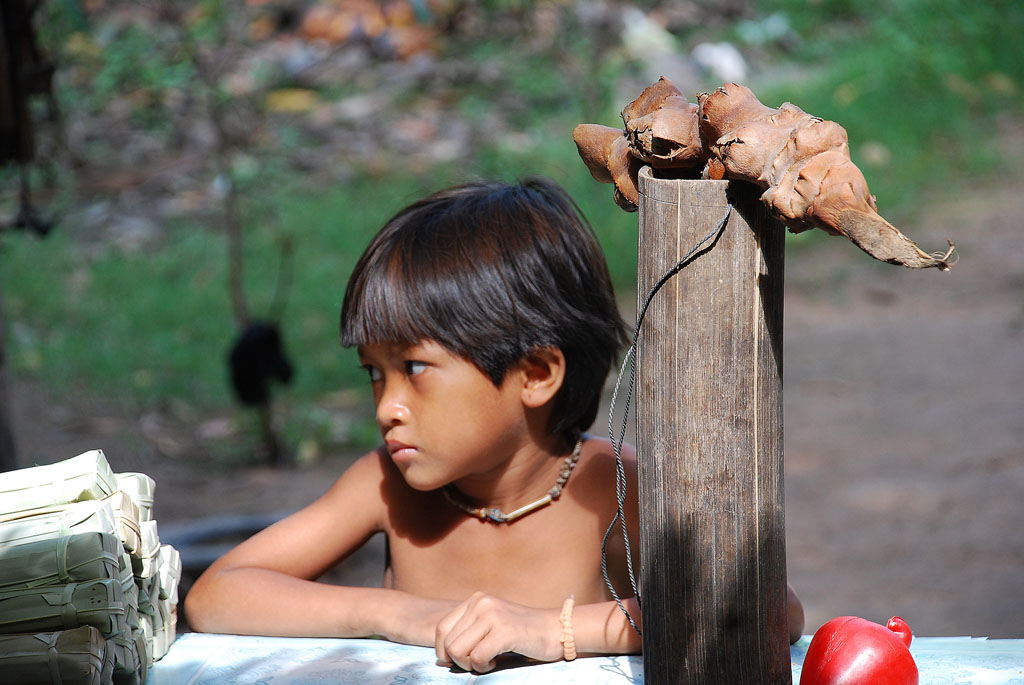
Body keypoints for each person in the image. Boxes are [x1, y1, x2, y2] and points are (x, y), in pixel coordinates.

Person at [185, 177, 804, 673]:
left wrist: (551, 630)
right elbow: (216, 594)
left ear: (535, 373)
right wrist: (397, 613)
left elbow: (766, 610)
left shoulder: (612, 490)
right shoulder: (383, 488)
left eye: (414, 368)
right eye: (373, 373)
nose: (385, 408)